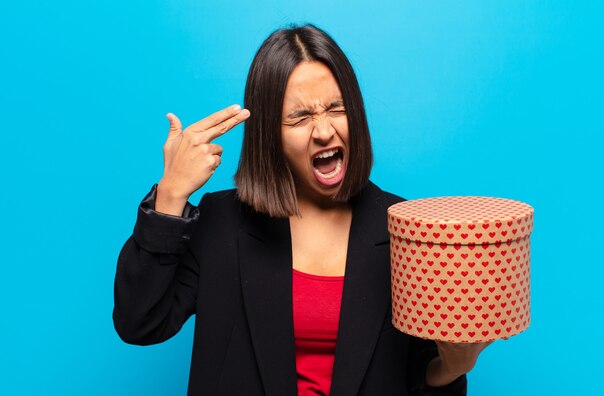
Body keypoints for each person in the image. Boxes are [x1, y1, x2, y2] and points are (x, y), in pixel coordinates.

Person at [113, 24, 491, 395]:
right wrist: (170, 196)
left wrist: (454, 367)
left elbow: (415, 376)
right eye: (300, 117)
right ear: (268, 134)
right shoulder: (221, 223)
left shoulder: (406, 228)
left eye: (335, 108)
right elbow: (140, 323)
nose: (323, 131)